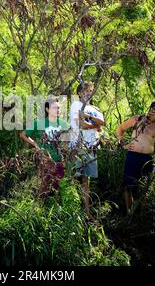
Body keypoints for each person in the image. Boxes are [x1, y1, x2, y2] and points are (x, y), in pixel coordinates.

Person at [116, 101, 155, 214]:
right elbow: (119, 129)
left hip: (147, 159)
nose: (153, 112)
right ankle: (129, 213)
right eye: (153, 109)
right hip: (132, 156)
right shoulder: (137, 119)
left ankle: (141, 214)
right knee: (128, 185)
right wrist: (123, 144)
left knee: (144, 187)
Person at [69, 82, 105, 220]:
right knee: (73, 177)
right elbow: (80, 124)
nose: (88, 93)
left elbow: (103, 123)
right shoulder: (76, 105)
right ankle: (71, 209)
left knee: (85, 180)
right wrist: (95, 126)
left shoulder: (94, 108)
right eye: (85, 91)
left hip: (92, 146)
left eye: (90, 90)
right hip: (78, 145)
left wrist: (91, 119)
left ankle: (86, 212)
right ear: (79, 93)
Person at [20, 98, 68, 197]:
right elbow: (23, 135)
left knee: (58, 186)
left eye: (59, 108)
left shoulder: (63, 123)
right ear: (47, 110)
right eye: (55, 108)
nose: (58, 110)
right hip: (45, 159)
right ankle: (38, 207)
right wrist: (35, 145)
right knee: (44, 185)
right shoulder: (40, 123)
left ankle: (54, 208)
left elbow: (68, 140)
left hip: (59, 159)